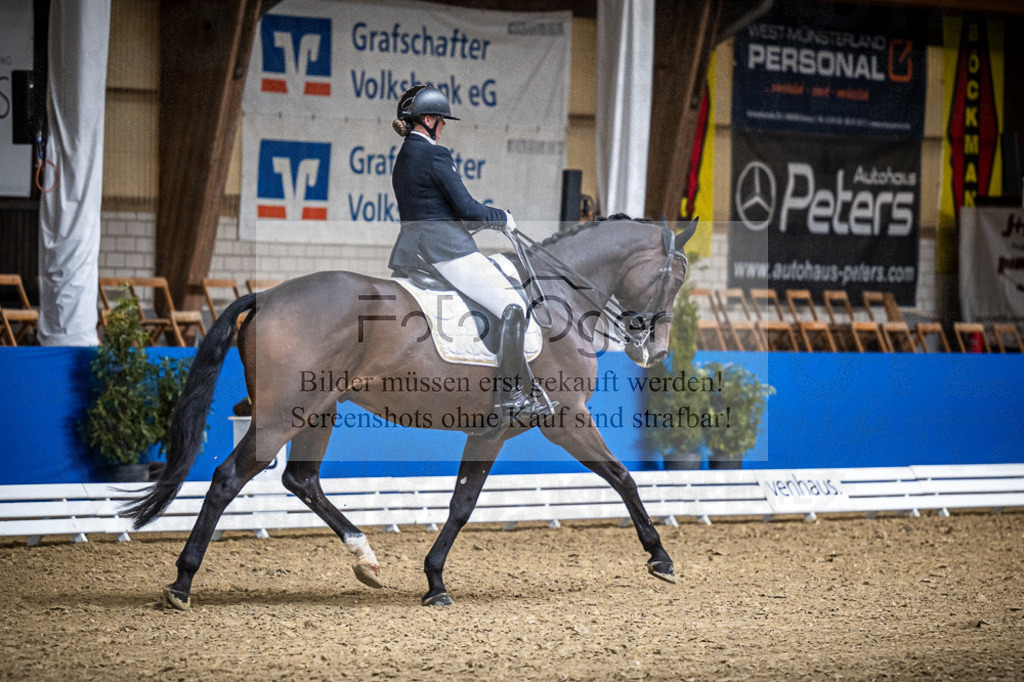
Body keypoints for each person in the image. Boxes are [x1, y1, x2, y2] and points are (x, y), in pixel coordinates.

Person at [388, 85, 552, 419]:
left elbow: (433, 208)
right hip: (445, 250)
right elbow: (466, 207)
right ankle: (511, 397)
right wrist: (501, 218)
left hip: (416, 248)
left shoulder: (405, 155)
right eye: (442, 120)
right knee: (511, 305)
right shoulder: (434, 154)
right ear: (429, 119)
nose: (445, 126)